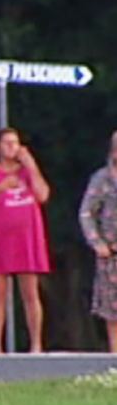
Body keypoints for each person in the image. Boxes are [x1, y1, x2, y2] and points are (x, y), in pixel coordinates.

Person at [0, 127, 51, 353]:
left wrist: (31, 165)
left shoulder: (26, 171)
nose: (12, 147)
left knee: (30, 293)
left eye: (15, 143)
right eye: (7, 143)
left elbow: (43, 195)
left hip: (27, 239)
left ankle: (36, 344)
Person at [78, 139, 117, 351]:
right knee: (112, 310)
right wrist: (97, 242)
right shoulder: (102, 179)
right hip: (110, 253)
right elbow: (86, 213)